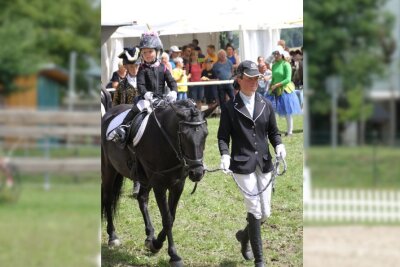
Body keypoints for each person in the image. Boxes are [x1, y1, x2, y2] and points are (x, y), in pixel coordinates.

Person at [218, 60, 286, 267]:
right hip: (241, 164)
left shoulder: (266, 104)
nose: (254, 82)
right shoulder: (230, 107)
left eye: (257, 78)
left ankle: (244, 235)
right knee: (255, 209)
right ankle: (260, 260)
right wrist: (225, 155)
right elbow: (223, 136)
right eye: (250, 78)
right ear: (239, 79)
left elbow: (273, 132)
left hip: (264, 162)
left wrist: (279, 145)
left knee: (266, 213)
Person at [266, 46, 302, 136]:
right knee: (272, 111)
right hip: (275, 89)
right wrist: (271, 85)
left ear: (281, 54)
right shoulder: (274, 65)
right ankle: (275, 130)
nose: (275, 55)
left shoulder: (286, 64)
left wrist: (276, 85)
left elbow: (287, 79)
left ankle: (289, 131)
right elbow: (274, 78)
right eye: (274, 54)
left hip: (285, 90)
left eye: (277, 53)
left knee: (287, 111)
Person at [136, 31, 177, 108]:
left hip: (162, 99)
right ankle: (127, 120)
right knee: (136, 110)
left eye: (150, 51)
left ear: (157, 52)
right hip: (146, 100)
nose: (147, 55)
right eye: (144, 52)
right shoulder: (142, 68)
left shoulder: (163, 68)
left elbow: (171, 81)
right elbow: (140, 85)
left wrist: (174, 91)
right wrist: (145, 93)